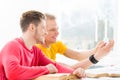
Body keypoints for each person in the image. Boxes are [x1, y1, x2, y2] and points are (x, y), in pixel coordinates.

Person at [0, 10, 86, 80]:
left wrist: (74, 72)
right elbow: (13, 73)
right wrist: (46, 69)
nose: (46, 32)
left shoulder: (36, 51)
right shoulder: (13, 46)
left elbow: (54, 66)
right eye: (43, 28)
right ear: (32, 28)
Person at [35, 13, 114, 69]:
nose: (57, 33)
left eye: (57, 29)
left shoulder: (56, 44)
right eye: (52, 30)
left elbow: (78, 55)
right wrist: (97, 56)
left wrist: (96, 50)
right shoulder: (37, 50)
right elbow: (68, 69)